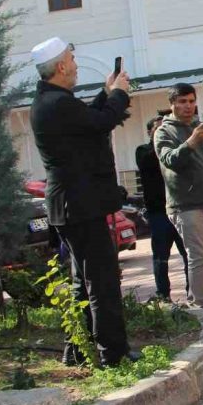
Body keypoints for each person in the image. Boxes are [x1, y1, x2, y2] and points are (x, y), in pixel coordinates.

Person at [29, 37, 137, 367]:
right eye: (72, 60)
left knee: (82, 282)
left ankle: (75, 351)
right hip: (80, 205)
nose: (76, 66)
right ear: (61, 66)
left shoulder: (53, 102)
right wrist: (118, 94)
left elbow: (88, 118)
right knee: (102, 282)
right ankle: (112, 356)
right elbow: (100, 122)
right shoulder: (57, 104)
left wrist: (107, 93)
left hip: (72, 206)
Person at [154, 83, 203, 311]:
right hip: (185, 205)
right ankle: (201, 304)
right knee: (197, 255)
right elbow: (170, 160)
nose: (188, 106)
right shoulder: (164, 131)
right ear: (172, 104)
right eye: (182, 102)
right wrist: (191, 142)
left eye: (191, 101)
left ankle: (193, 298)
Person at [136, 115, 188, 301]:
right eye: (158, 129)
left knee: (188, 254)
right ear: (150, 132)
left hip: (180, 208)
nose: (162, 132)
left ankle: (193, 293)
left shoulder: (175, 148)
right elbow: (150, 161)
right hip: (158, 212)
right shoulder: (143, 151)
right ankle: (163, 294)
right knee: (161, 256)